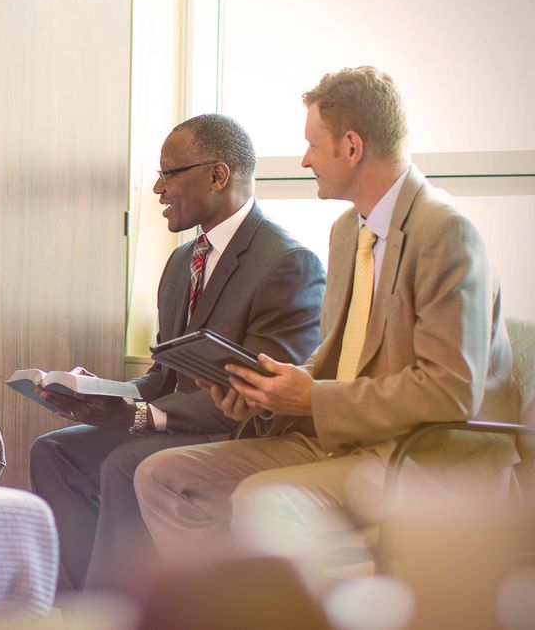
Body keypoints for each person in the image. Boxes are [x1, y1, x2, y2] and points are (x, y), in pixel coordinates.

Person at [134, 67, 520, 560]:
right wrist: (270, 391)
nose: (304, 159)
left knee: (264, 500)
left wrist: (312, 398)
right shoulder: (346, 232)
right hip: (349, 442)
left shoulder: (444, 232)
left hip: (425, 457)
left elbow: (451, 390)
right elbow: (341, 356)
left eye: (314, 146)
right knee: (163, 476)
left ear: (351, 147)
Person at [28, 114, 326, 593]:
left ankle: (125, 614)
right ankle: (89, 605)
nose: (157, 189)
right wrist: (105, 393)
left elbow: (262, 396)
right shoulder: (181, 261)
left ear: (217, 175)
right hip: (174, 424)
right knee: (55, 452)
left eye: (170, 174)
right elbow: (163, 377)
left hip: (233, 432)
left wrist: (147, 417)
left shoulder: (288, 264)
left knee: (125, 464)